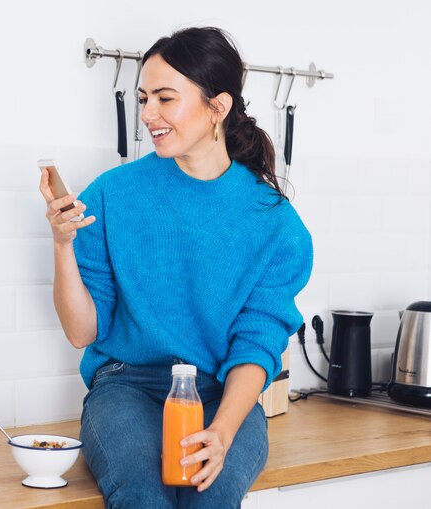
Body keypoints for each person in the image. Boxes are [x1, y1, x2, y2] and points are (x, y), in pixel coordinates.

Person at [39, 26, 313, 509]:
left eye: (165, 99)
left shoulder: (276, 225)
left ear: (218, 107)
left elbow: (258, 343)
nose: (148, 115)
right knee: (144, 494)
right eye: (144, 98)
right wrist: (63, 244)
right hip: (127, 386)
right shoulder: (112, 194)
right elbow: (82, 332)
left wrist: (224, 431)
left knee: (211, 492)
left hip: (220, 392)